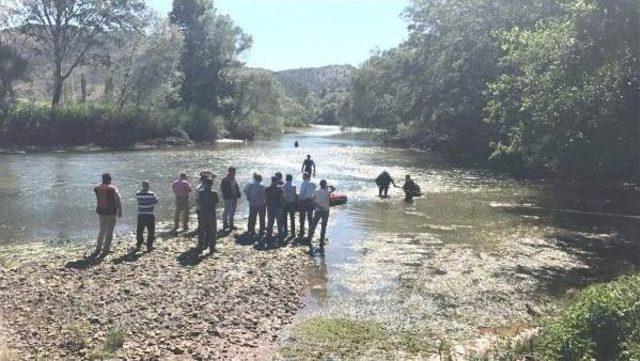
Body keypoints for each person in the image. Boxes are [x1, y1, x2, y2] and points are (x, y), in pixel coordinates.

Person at [92, 173, 122, 258]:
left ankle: (98, 248)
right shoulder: (113, 188)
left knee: (102, 230)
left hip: (101, 212)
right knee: (109, 232)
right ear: (109, 179)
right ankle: (106, 249)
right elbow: (117, 199)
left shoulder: (97, 188)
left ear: (102, 179)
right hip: (111, 212)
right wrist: (120, 210)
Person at [308, 179, 334, 252]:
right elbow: (333, 188)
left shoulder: (316, 191)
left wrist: (318, 206)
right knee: (323, 226)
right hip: (326, 211)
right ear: (325, 185)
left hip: (318, 210)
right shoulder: (328, 192)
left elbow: (312, 200)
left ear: (320, 184)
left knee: (314, 225)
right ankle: (321, 242)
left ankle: (309, 239)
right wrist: (328, 186)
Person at [198, 177, 219, 253]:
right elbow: (217, 201)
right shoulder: (214, 193)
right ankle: (212, 247)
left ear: (205, 183)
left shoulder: (201, 192)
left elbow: (199, 201)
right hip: (211, 213)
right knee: (213, 231)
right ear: (211, 184)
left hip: (203, 213)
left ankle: (200, 247)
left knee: (202, 230)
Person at [135, 180, 158, 252]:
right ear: (148, 186)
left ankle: (139, 244)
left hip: (141, 214)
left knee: (140, 230)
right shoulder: (152, 194)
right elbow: (156, 202)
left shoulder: (138, 193)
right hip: (150, 214)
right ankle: (149, 246)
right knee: (151, 231)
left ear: (142, 186)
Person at [265, 175, 285, 242]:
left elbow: (265, 198)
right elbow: (284, 197)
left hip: (270, 207)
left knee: (270, 221)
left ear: (271, 180)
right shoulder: (280, 188)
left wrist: (266, 204)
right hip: (278, 207)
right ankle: (280, 234)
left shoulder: (267, 188)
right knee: (279, 221)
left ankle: (269, 234)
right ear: (277, 181)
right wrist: (282, 205)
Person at [297, 172, 316, 239]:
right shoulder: (313, 183)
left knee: (302, 218)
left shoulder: (304, 183)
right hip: (311, 202)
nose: (302, 177)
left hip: (304, 202)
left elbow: (301, 193)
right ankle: (310, 232)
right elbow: (314, 193)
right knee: (310, 218)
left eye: (303, 176)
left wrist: (298, 200)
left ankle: (302, 231)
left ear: (304, 177)